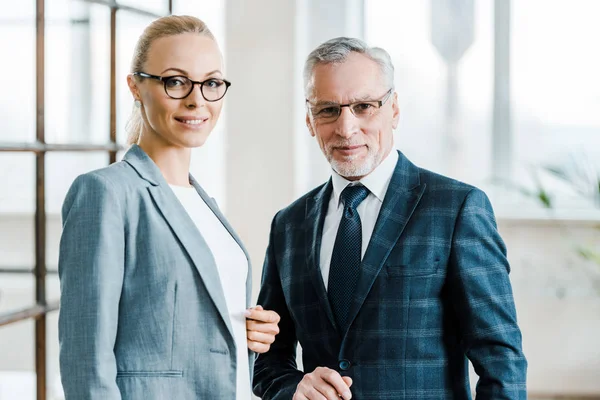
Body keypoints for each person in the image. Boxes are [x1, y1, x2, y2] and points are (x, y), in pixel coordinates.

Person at [253, 37, 527, 400]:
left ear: (394, 108)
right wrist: (294, 387)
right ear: (309, 119)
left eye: (364, 106)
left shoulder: (457, 209)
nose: (346, 128)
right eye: (327, 110)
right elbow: (268, 362)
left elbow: (500, 360)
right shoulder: (288, 226)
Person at [58, 15, 279, 400]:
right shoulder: (106, 193)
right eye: (176, 81)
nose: (197, 100)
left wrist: (245, 330)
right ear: (135, 86)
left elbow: (174, 323)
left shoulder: (203, 203)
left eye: (211, 83)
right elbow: (86, 361)